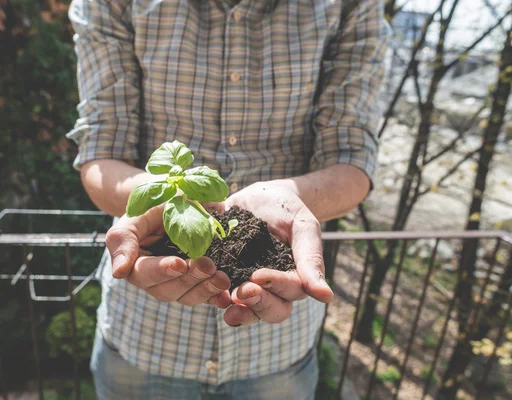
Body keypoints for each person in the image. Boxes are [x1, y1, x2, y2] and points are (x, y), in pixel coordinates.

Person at [67, 0, 389, 398]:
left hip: (277, 351)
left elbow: (352, 159)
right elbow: (101, 152)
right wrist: (166, 202)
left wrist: (288, 196)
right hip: (145, 335)